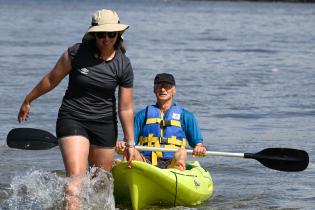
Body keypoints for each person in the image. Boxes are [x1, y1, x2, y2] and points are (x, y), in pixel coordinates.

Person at [17, 9, 136, 209]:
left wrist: (130, 143)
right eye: (101, 34)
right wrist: (29, 99)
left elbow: (125, 108)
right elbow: (51, 79)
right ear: (93, 34)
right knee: (75, 185)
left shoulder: (123, 65)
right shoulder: (76, 53)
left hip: (105, 124)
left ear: (118, 35)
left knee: (100, 186)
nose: (106, 39)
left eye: (111, 34)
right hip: (73, 118)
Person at [117, 73, 206, 171]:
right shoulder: (142, 115)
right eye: (159, 86)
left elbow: (197, 144)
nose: (163, 89)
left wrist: (199, 148)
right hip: (146, 161)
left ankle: (178, 170)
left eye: (167, 86)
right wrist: (122, 145)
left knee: (182, 152)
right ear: (154, 89)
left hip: (172, 162)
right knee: (131, 151)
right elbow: (130, 142)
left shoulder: (186, 116)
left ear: (174, 90)